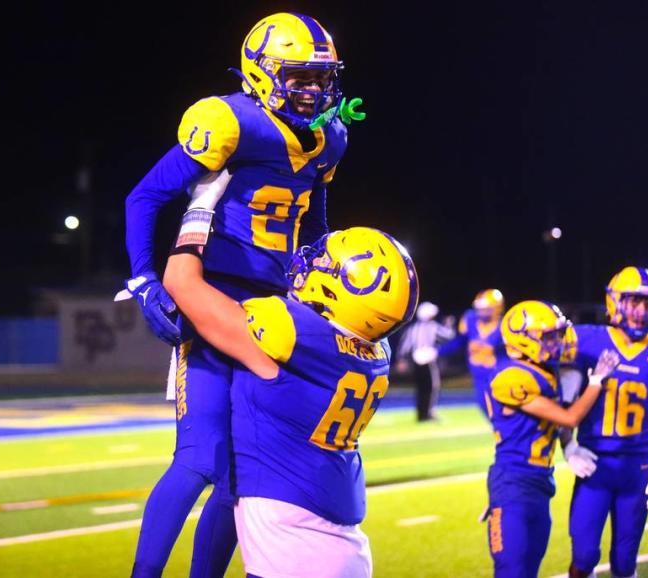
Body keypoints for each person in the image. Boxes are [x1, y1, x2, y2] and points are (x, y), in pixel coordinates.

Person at [122, 13, 354, 577]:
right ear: (261, 71)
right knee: (201, 459)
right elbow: (145, 196)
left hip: (275, 310)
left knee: (240, 472)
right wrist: (144, 279)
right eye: (299, 76)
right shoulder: (228, 120)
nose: (314, 90)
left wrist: (317, 271)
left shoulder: (331, 137)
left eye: (321, 78)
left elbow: (313, 216)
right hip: (213, 295)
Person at [163, 225, 419, 578]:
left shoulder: (293, 332)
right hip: (342, 549)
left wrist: (200, 206)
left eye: (325, 264)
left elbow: (181, 283)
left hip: (294, 549)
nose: (312, 264)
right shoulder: (377, 352)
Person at [485, 300, 620, 578]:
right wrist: (596, 383)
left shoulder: (548, 373)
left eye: (557, 334)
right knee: (511, 571)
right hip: (513, 482)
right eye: (548, 336)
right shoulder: (512, 377)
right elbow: (567, 418)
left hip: (540, 483)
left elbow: (559, 427)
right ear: (523, 340)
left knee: (530, 568)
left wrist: (569, 446)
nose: (556, 342)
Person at [560, 267, 648, 578]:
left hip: (637, 469)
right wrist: (568, 444)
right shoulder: (586, 341)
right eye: (633, 301)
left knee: (625, 561)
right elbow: (565, 401)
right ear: (615, 301)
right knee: (584, 557)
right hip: (594, 465)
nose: (641, 311)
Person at [439, 289, 508, 417]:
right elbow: (460, 342)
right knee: (485, 408)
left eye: (486, 308)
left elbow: (510, 355)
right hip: (479, 377)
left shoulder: (504, 327)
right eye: (480, 308)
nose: (482, 311)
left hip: (498, 377)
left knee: (501, 413)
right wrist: (437, 352)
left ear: (497, 308)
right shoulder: (471, 320)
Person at [395, 301, 455, 421]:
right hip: (427, 360)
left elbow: (405, 345)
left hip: (415, 360)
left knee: (420, 388)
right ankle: (429, 413)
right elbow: (448, 335)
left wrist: (400, 359)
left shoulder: (413, 328)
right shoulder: (432, 326)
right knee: (432, 386)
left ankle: (421, 414)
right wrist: (449, 325)